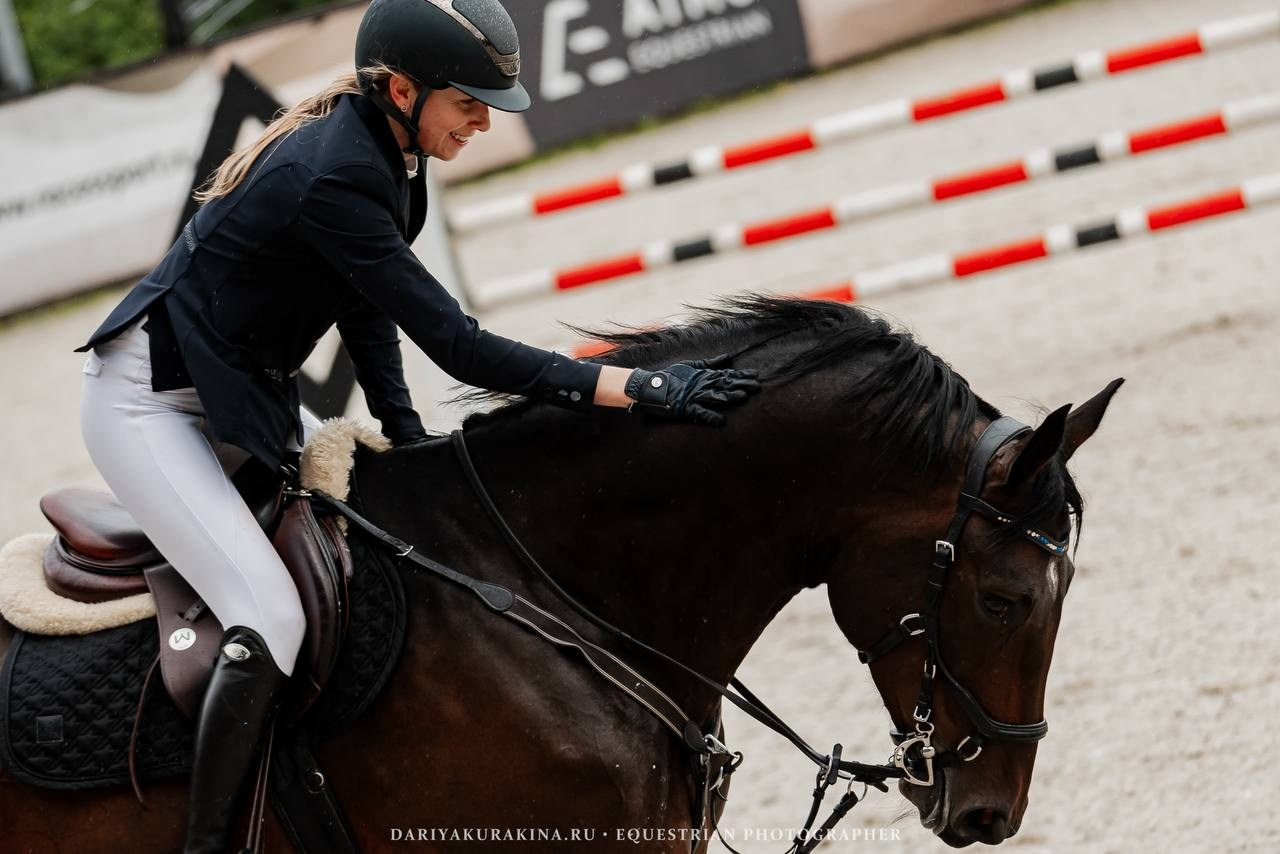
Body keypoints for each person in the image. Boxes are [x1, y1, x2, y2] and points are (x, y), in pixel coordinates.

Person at [74, 0, 758, 849]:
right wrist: (637, 389)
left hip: (235, 394)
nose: (482, 121)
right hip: (149, 405)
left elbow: (364, 310)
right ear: (403, 87)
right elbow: (461, 348)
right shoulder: (333, 173)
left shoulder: (392, 150)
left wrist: (404, 437)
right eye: (469, 101)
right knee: (270, 614)